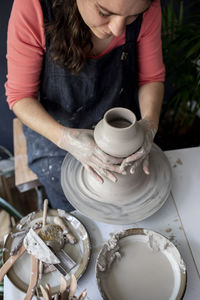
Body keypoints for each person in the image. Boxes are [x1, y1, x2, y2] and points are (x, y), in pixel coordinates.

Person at [5, 0, 165, 210]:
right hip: (56, 135)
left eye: (131, 18)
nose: (117, 29)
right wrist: (66, 138)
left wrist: (149, 124)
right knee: (76, 212)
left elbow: (151, 78)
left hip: (121, 128)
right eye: (104, 12)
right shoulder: (33, 6)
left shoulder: (146, 6)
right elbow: (20, 96)